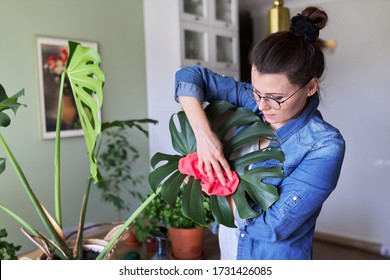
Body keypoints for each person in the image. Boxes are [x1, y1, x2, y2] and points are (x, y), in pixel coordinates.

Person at [173, 6, 346, 260]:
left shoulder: (324, 146)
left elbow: (272, 227)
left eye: (276, 98)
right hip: (230, 253)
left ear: (310, 87)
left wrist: (212, 183)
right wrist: (204, 137)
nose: (262, 105)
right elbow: (189, 76)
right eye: (256, 91)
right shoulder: (252, 101)